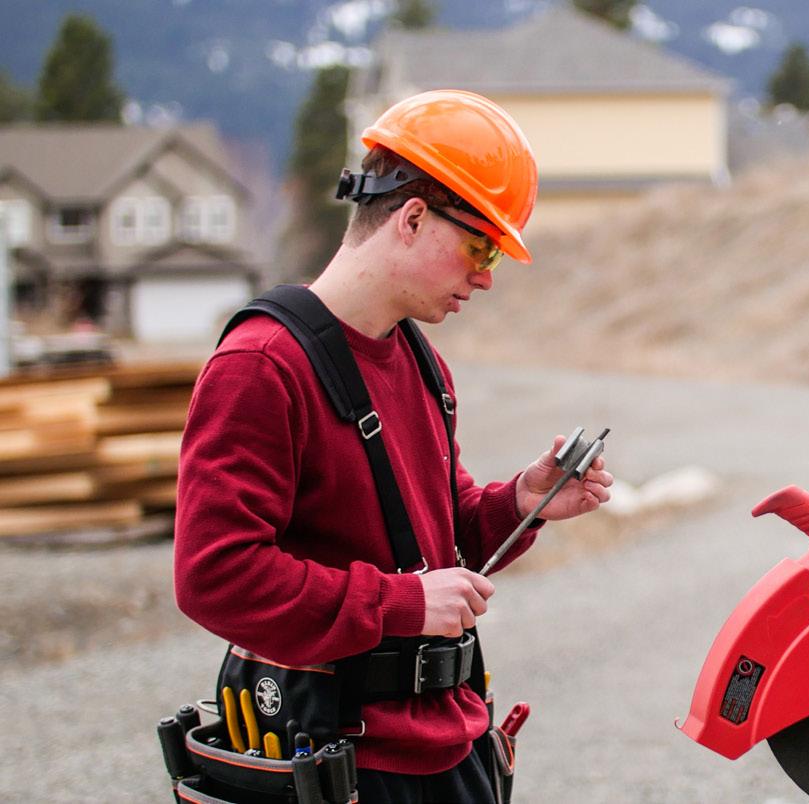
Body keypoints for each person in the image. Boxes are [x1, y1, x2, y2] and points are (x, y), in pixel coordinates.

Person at [174, 89, 613, 802]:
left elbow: (437, 541)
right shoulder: (260, 366)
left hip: (455, 747)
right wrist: (400, 604)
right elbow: (215, 576)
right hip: (337, 763)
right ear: (411, 218)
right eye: (480, 246)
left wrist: (519, 503)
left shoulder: (419, 360)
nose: (485, 276)